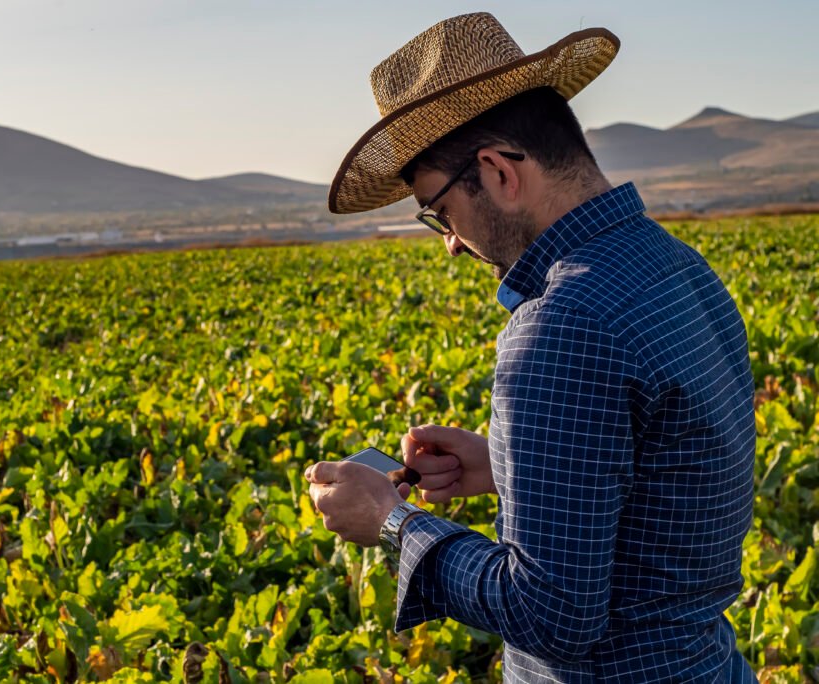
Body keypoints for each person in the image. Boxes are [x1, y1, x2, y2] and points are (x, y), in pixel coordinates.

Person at [304, 12, 757, 682]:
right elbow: (674, 483)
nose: (452, 243)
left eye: (439, 213)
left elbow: (550, 616)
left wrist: (392, 521)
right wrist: (510, 471)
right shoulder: (678, 266)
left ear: (497, 172)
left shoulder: (561, 322)